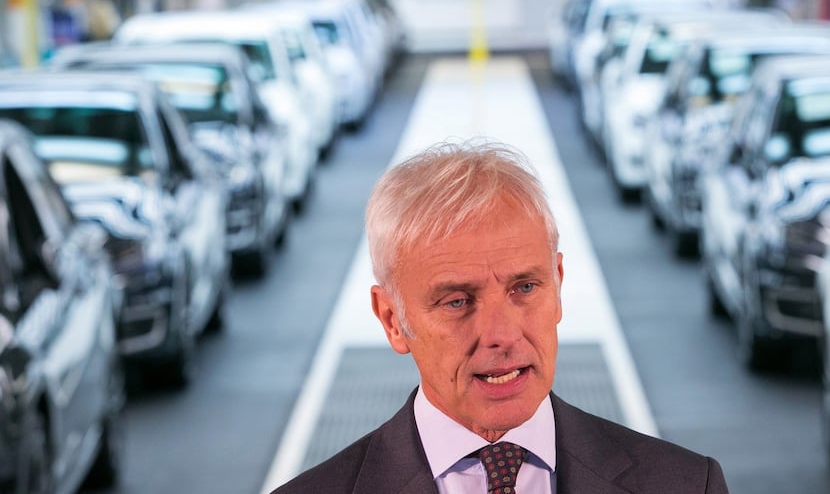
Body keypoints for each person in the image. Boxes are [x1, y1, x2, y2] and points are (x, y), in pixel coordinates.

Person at [272, 141, 729, 493]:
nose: (502, 334)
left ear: (558, 284)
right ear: (392, 319)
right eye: (456, 302)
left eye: (524, 288)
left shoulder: (687, 484)